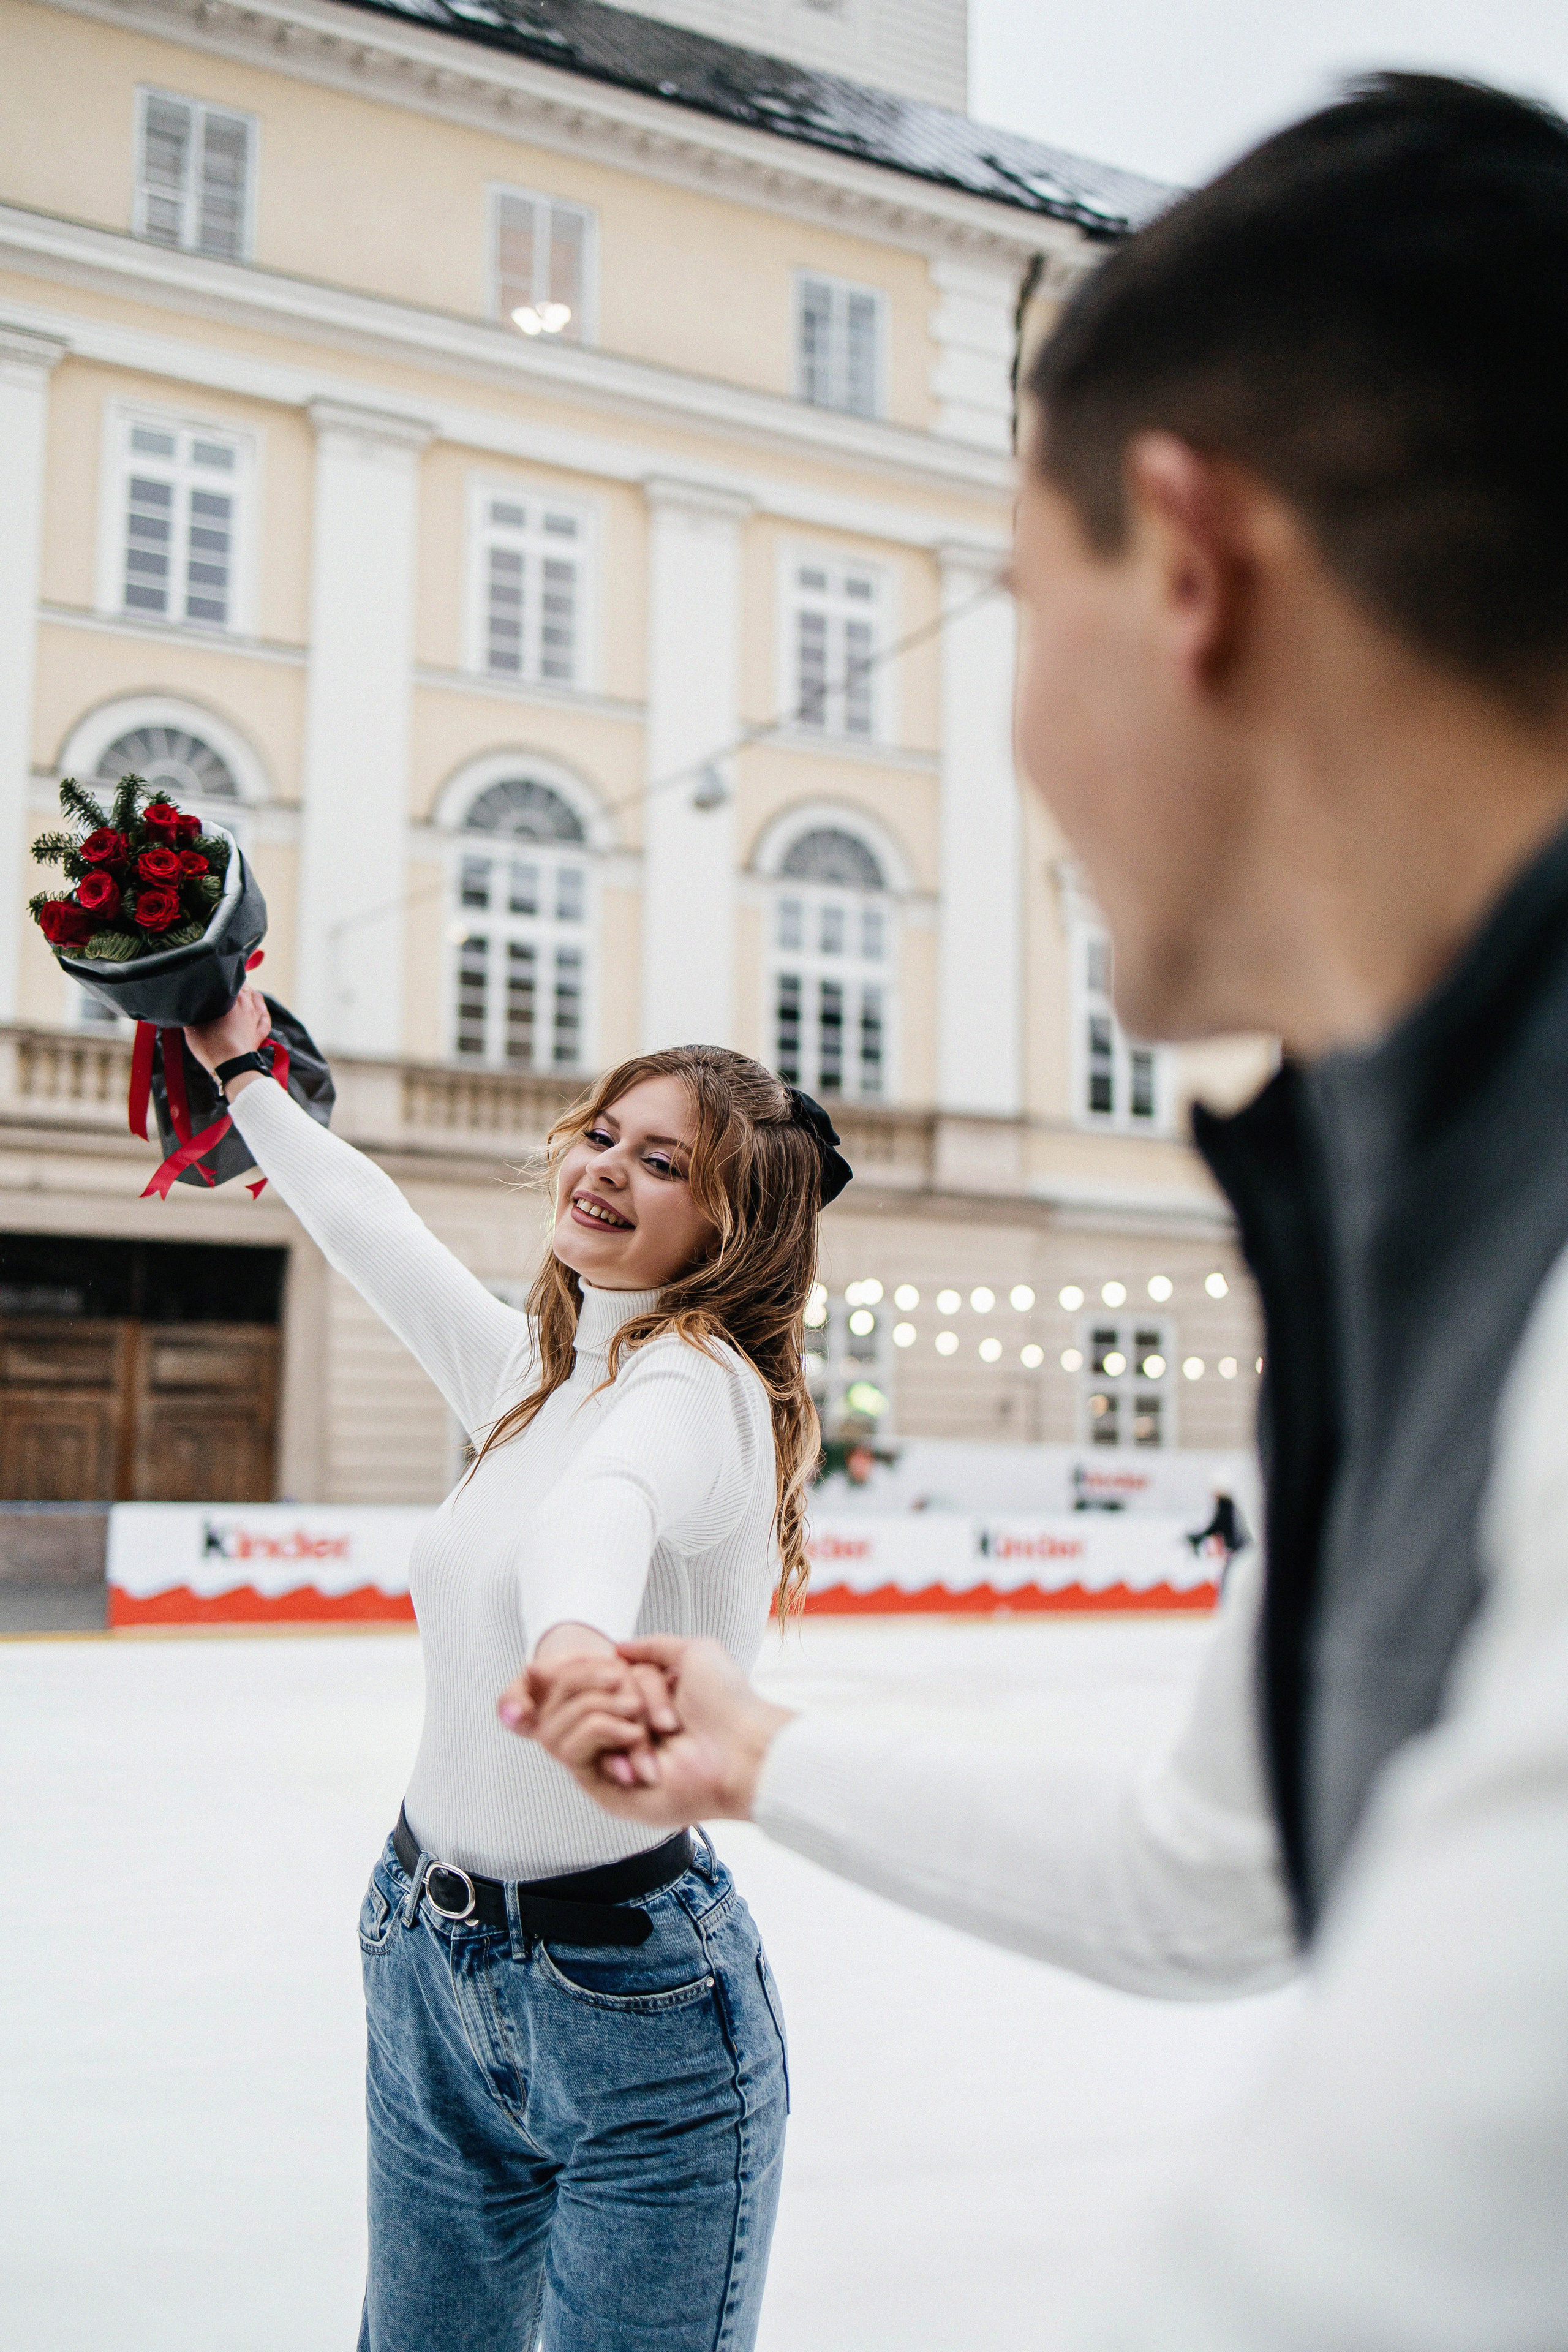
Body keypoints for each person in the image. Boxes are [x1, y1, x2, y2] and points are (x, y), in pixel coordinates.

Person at [511, 75, 1568, 2346]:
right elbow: (1225, 1877)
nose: (1007, 737)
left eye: (1021, 604)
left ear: (1186, 565)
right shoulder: (1420, 1212)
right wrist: (754, 1749)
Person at [181, 1012, 847, 2352]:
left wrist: (575, 1646)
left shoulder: (704, 1385)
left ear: (733, 1226)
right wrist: (240, 1068)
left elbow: (602, 1506)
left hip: (635, 2013)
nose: (606, 1167)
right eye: (602, 1134)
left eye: (662, 1162)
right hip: (425, 1953)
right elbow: (370, 1228)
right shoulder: (534, 1377)